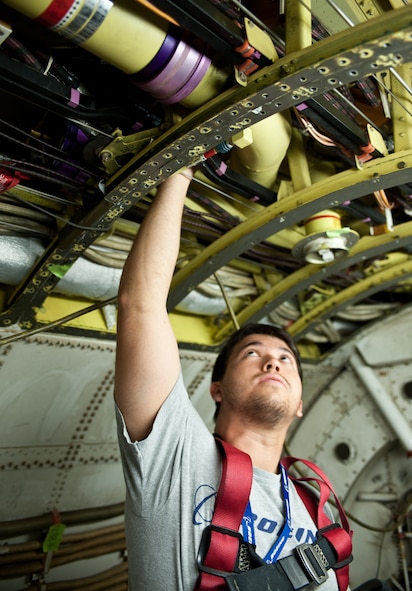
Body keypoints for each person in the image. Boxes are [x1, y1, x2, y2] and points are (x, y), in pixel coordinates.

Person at [114, 171, 349, 591]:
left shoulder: (315, 511)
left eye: (285, 360)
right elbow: (142, 306)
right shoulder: (174, 454)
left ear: (299, 403)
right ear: (216, 388)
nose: (273, 364)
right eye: (253, 354)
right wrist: (181, 170)